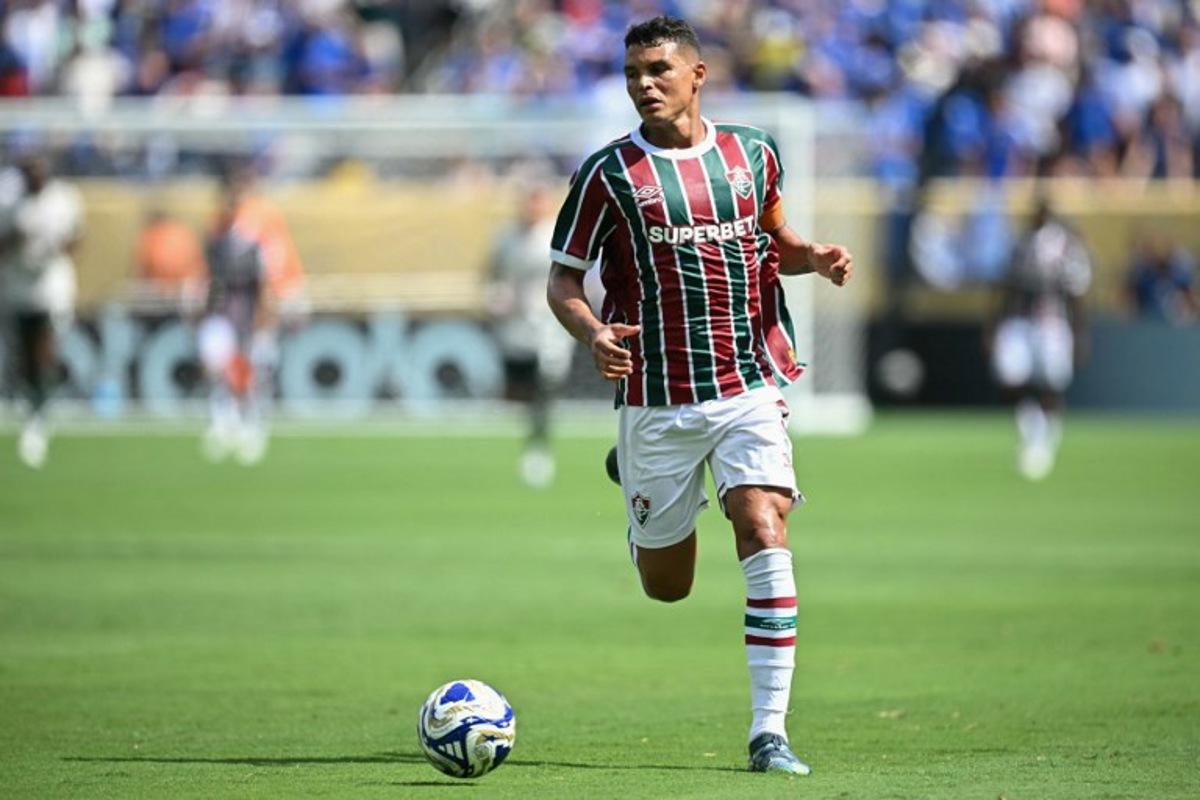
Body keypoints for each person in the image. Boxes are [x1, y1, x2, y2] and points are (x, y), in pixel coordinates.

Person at [545, 17, 853, 776]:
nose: (643, 84)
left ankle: (769, 733)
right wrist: (594, 333)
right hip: (656, 400)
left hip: (746, 383)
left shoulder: (753, 154)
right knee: (668, 586)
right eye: (632, 74)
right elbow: (562, 281)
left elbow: (775, 243)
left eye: (657, 69)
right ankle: (635, 482)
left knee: (763, 523)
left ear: (697, 74)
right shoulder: (609, 174)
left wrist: (812, 256)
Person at [988, 197, 1091, 481]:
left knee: (1052, 383)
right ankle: (1033, 427)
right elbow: (1004, 288)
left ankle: (1047, 437)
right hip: (1019, 319)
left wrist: (1080, 333)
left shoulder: (1066, 247)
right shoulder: (1020, 245)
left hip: (1052, 321)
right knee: (1011, 377)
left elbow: (1077, 293)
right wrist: (994, 326)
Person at [486, 181, 576, 488]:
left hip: (551, 323)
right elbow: (493, 272)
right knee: (517, 389)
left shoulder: (556, 235)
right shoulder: (506, 238)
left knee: (547, 383)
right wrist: (496, 295)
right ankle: (521, 441)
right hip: (516, 324)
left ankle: (539, 446)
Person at [0, 154, 83, 468]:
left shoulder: (63, 200)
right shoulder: (8, 201)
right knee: (23, 355)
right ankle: (31, 406)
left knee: (44, 348)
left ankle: (40, 410)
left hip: (51, 287)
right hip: (18, 287)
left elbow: (77, 239)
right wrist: (17, 238)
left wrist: (58, 243)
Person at [196, 185, 274, 465]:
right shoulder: (215, 244)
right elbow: (214, 283)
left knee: (247, 376)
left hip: (245, 317)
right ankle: (224, 421)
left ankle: (251, 426)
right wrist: (209, 315)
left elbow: (261, 286)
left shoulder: (251, 244)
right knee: (219, 372)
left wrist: (261, 319)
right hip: (223, 317)